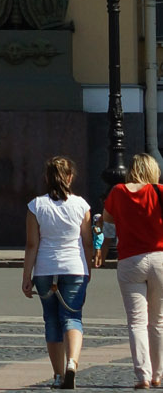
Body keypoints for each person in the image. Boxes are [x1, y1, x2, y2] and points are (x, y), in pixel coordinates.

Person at [23, 155, 94, 390]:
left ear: (46, 178)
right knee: (72, 318)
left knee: (51, 321)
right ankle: (72, 363)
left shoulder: (36, 205)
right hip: (74, 268)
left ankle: (57, 375)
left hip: (45, 270)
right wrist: (88, 267)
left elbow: (32, 244)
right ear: (70, 178)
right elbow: (86, 241)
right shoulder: (81, 205)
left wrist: (26, 277)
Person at [104, 152, 163, 388]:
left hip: (130, 259)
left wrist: (102, 249)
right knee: (158, 321)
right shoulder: (159, 190)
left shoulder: (118, 191)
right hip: (160, 258)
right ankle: (159, 374)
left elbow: (107, 224)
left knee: (136, 321)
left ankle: (143, 376)